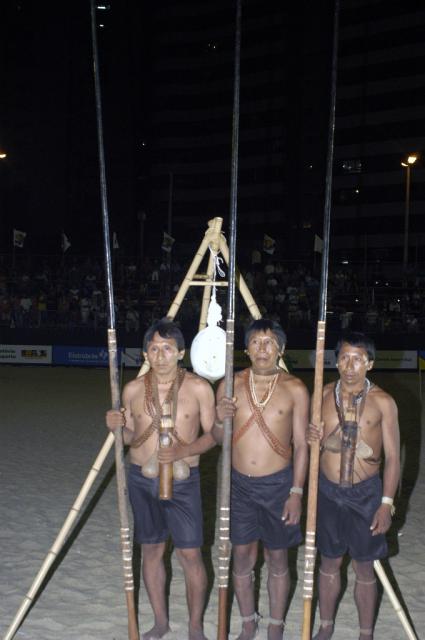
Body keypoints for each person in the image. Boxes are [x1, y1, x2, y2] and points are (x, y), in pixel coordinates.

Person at [106, 319, 216, 640]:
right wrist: (116, 425)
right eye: (153, 348)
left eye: (168, 348)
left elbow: (214, 435)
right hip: (141, 480)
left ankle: (195, 626)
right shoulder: (133, 390)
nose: (161, 354)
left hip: (183, 482)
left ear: (181, 352)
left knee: (190, 554)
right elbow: (129, 437)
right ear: (145, 354)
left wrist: (184, 450)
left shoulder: (198, 388)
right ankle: (161, 622)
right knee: (151, 551)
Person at [214, 318, 309, 640]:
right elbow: (216, 437)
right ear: (246, 348)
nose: (262, 348)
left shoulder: (295, 388)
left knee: (277, 556)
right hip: (239, 486)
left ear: (281, 349)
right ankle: (248, 620)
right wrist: (219, 417)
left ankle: (276, 625)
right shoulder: (229, 385)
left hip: (279, 486)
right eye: (256, 342)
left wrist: (296, 492)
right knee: (241, 556)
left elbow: (302, 446)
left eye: (269, 343)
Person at [308, 332, 400, 640]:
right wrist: (315, 442)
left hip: (366, 493)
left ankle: (365, 632)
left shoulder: (384, 402)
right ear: (336, 360)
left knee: (364, 566)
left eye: (358, 359)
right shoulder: (322, 394)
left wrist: (386, 503)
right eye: (345, 357)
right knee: (329, 561)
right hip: (327, 490)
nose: (350, 365)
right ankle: (325, 625)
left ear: (370, 364)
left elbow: (394, 458)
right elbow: (310, 447)